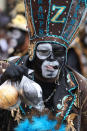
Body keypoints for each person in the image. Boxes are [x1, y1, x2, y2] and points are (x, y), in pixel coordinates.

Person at [0, 0, 87, 130]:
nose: (52, 60)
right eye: (44, 52)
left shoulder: (80, 87)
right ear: (32, 51)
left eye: (58, 52)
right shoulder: (6, 68)